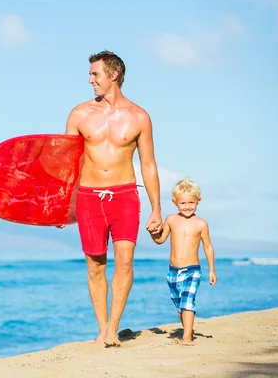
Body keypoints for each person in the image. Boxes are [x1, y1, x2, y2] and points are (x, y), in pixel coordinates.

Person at [63, 50, 163, 347]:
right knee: (95, 265)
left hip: (124, 195)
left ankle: (113, 329)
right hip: (88, 196)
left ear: (113, 75)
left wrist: (156, 209)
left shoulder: (139, 117)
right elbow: (67, 161)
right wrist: (61, 205)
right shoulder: (79, 114)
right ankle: (102, 326)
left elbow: (148, 164)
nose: (90, 79)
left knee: (125, 262)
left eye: (95, 74)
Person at [149, 178, 217, 346]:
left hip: (192, 270)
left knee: (188, 301)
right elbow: (160, 240)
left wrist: (211, 270)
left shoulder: (201, 224)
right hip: (173, 271)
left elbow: (208, 247)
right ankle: (188, 328)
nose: (187, 206)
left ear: (198, 201)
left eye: (191, 202)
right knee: (180, 305)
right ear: (175, 203)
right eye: (183, 203)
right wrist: (153, 232)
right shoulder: (171, 219)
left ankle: (187, 337)